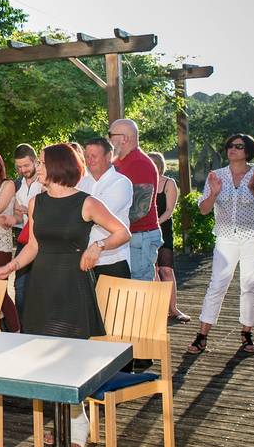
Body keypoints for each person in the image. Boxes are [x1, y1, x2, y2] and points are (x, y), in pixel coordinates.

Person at [0, 144, 130, 447]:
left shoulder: (87, 202)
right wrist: (10, 266)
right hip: (42, 286)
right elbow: (34, 246)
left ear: (56, 167)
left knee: (69, 358)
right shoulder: (36, 202)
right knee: (45, 359)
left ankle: (77, 424)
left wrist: (98, 247)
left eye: (40, 163)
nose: (36, 167)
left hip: (72, 286)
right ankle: (64, 422)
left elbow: (122, 232)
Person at [187, 134, 254, 355]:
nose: (232, 149)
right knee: (217, 285)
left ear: (248, 151)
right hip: (226, 237)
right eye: (230, 146)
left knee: (249, 284)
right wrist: (214, 193)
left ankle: (247, 334)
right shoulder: (216, 176)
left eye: (238, 146)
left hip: (253, 237)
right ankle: (202, 335)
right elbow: (204, 209)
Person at [109, 118, 162, 281]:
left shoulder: (139, 163)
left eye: (110, 134)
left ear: (124, 138)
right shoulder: (119, 161)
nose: (108, 139)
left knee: (139, 292)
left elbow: (141, 209)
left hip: (140, 237)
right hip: (128, 235)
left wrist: (106, 223)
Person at [77, 138, 133, 279]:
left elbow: (96, 218)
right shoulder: (81, 183)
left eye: (94, 156)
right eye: (87, 156)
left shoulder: (121, 183)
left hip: (113, 260)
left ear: (108, 156)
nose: (89, 160)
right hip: (84, 261)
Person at [149, 151, 189, 322]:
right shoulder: (142, 183)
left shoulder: (168, 183)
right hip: (145, 231)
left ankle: (173, 308)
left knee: (166, 269)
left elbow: (170, 210)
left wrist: (156, 222)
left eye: (153, 163)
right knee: (152, 270)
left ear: (159, 165)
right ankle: (158, 308)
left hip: (162, 229)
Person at [12, 143, 42, 317]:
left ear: (35, 161)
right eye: (19, 166)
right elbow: (18, 218)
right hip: (25, 240)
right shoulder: (18, 184)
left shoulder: (45, 181)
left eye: (26, 165)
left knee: (39, 286)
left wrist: (29, 210)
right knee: (20, 285)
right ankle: (22, 326)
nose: (23, 169)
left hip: (42, 240)